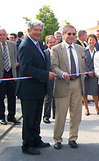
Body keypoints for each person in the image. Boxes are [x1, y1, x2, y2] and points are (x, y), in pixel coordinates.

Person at [16, 20, 56, 155]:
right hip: (28, 90)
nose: (38, 32)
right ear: (28, 31)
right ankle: (27, 145)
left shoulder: (38, 44)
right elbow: (26, 68)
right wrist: (46, 74)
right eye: (35, 30)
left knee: (36, 117)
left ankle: (36, 139)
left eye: (40, 30)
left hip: (38, 88)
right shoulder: (25, 46)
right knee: (28, 118)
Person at [51, 25, 85, 150]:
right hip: (63, 83)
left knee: (76, 114)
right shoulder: (56, 49)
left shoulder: (80, 49)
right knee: (61, 114)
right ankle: (58, 139)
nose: (71, 36)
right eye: (69, 34)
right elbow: (54, 66)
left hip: (77, 84)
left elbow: (83, 66)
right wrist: (61, 73)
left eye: (73, 34)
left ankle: (73, 138)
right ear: (63, 34)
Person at [0, 28, 20, 125]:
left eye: (4, 34)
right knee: (1, 97)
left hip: (11, 74)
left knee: (12, 96)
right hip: (1, 75)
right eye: (0, 35)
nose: (2, 36)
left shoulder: (12, 45)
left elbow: (15, 56)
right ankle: (1, 116)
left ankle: (11, 116)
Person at [83, 34, 99, 116]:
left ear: (96, 41)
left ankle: (97, 107)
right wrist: (87, 72)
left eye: (93, 40)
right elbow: (82, 62)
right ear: (87, 41)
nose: (91, 41)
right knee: (84, 92)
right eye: (90, 40)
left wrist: (93, 71)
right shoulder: (83, 51)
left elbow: (98, 63)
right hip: (85, 75)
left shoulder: (98, 52)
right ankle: (86, 108)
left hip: (94, 74)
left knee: (95, 92)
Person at [43, 35, 56, 123]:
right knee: (48, 98)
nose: (52, 44)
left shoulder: (59, 52)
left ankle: (56, 115)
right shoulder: (44, 53)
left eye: (54, 42)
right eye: (50, 42)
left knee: (57, 97)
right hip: (48, 78)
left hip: (58, 78)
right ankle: (46, 116)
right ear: (47, 43)